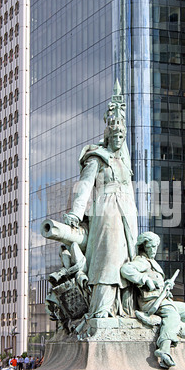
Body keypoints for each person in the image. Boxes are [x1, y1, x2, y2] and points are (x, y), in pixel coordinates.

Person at [64, 81, 138, 319]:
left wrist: (120, 108)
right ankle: (102, 309)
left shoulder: (123, 161)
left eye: (121, 134)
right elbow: (84, 187)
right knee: (108, 258)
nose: (118, 138)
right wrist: (76, 214)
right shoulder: (97, 157)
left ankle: (126, 309)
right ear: (107, 135)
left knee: (128, 259)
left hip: (127, 211)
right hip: (106, 211)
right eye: (114, 134)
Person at [121, 231, 185, 369]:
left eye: (155, 247)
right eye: (151, 247)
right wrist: (145, 279)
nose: (154, 250)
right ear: (144, 246)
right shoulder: (142, 261)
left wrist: (166, 285)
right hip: (152, 302)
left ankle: (173, 326)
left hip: (165, 301)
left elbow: (158, 284)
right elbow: (126, 269)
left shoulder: (153, 263)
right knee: (171, 314)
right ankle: (164, 348)